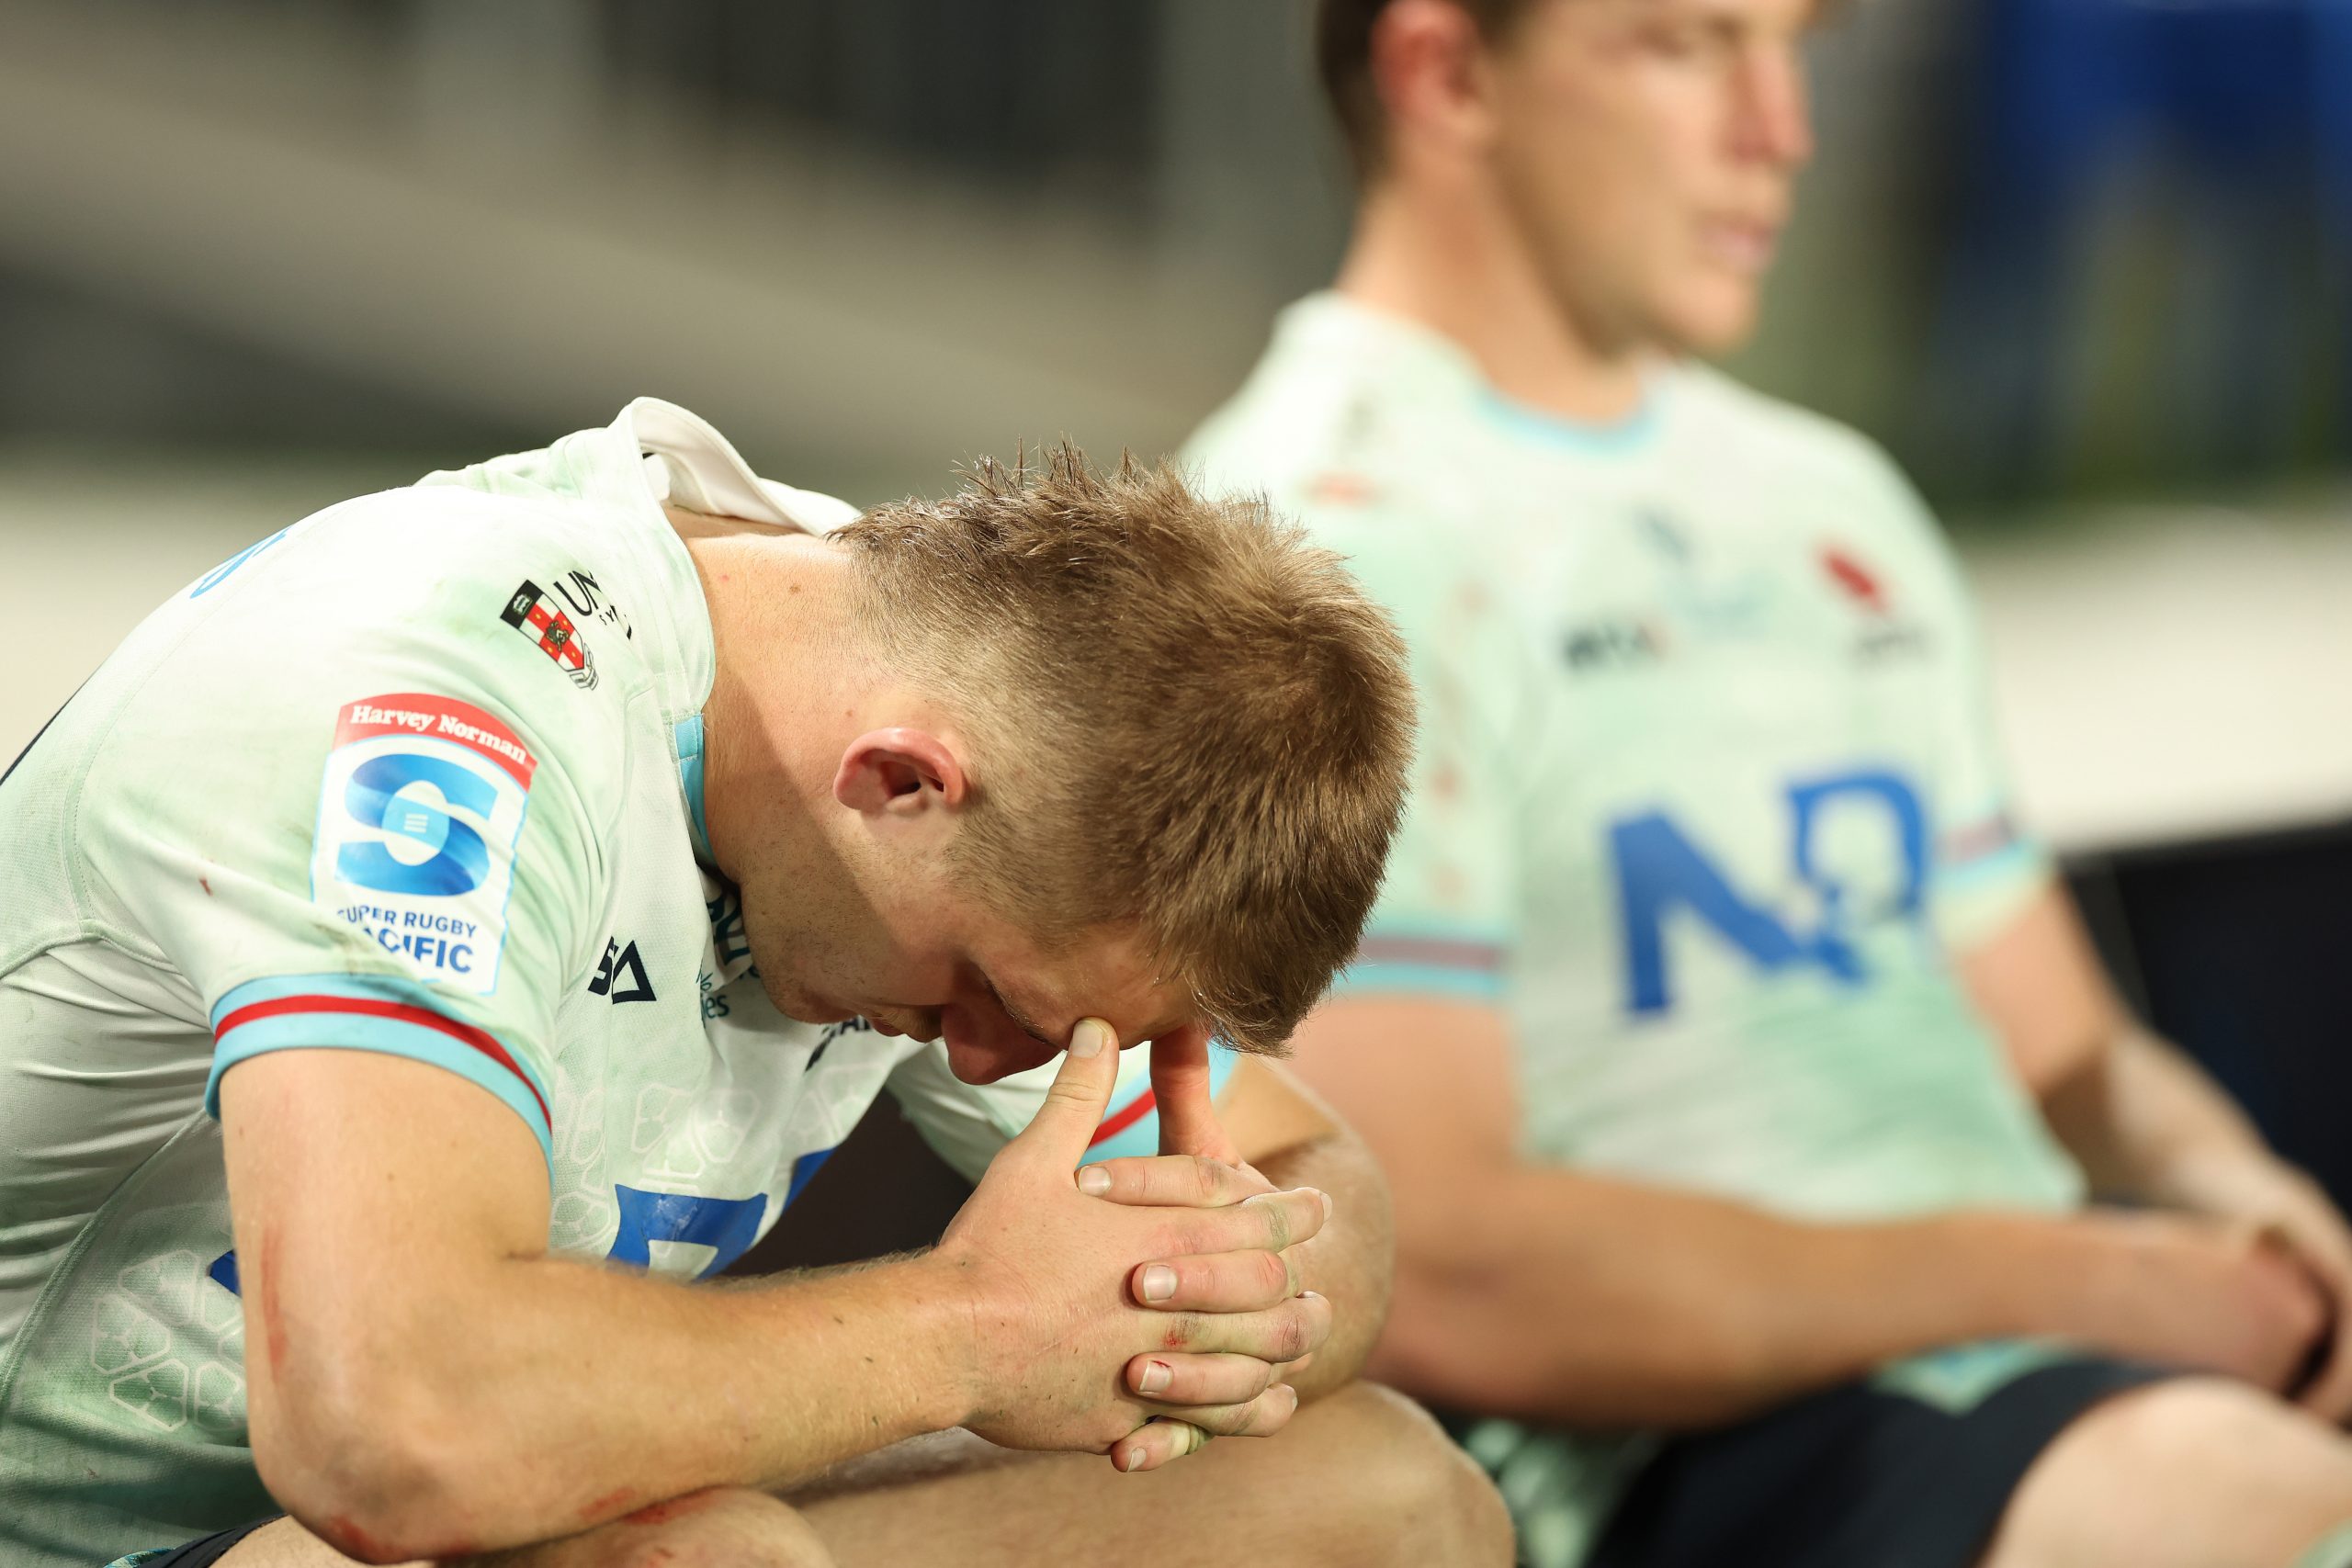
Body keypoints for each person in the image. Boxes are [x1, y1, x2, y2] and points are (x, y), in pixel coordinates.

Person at [1183, 3, 2352, 1565]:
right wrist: (2080, 1281)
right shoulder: (1303, 564)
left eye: (1792, 46)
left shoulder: (1827, 497)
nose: (1781, 130)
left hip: (2067, 1382)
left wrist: (2237, 1198)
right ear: (1446, 73)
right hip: (1707, 1455)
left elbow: (2078, 1067)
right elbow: (1441, 1262)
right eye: (1686, 46)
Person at [0, 398, 1510, 1568]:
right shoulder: (431, 712)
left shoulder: (924, 689)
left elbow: (1325, 1182)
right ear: (902, 781)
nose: (997, 1067)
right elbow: (396, 1426)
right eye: (986, 992)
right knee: (705, 1556)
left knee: (1380, 1503)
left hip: (329, 1524)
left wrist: (1201, 1292)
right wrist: (975, 1328)